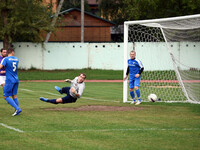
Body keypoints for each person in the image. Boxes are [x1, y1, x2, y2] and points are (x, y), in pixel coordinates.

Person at [0, 47, 22, 116]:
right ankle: (17, 111)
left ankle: (17, 109)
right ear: (12, 52)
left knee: (5, 96)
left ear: (8, 52)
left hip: (9, 80)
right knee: (14, 95)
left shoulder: (5, 59)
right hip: (16, 79)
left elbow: (1, 67)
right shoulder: (16, 59)